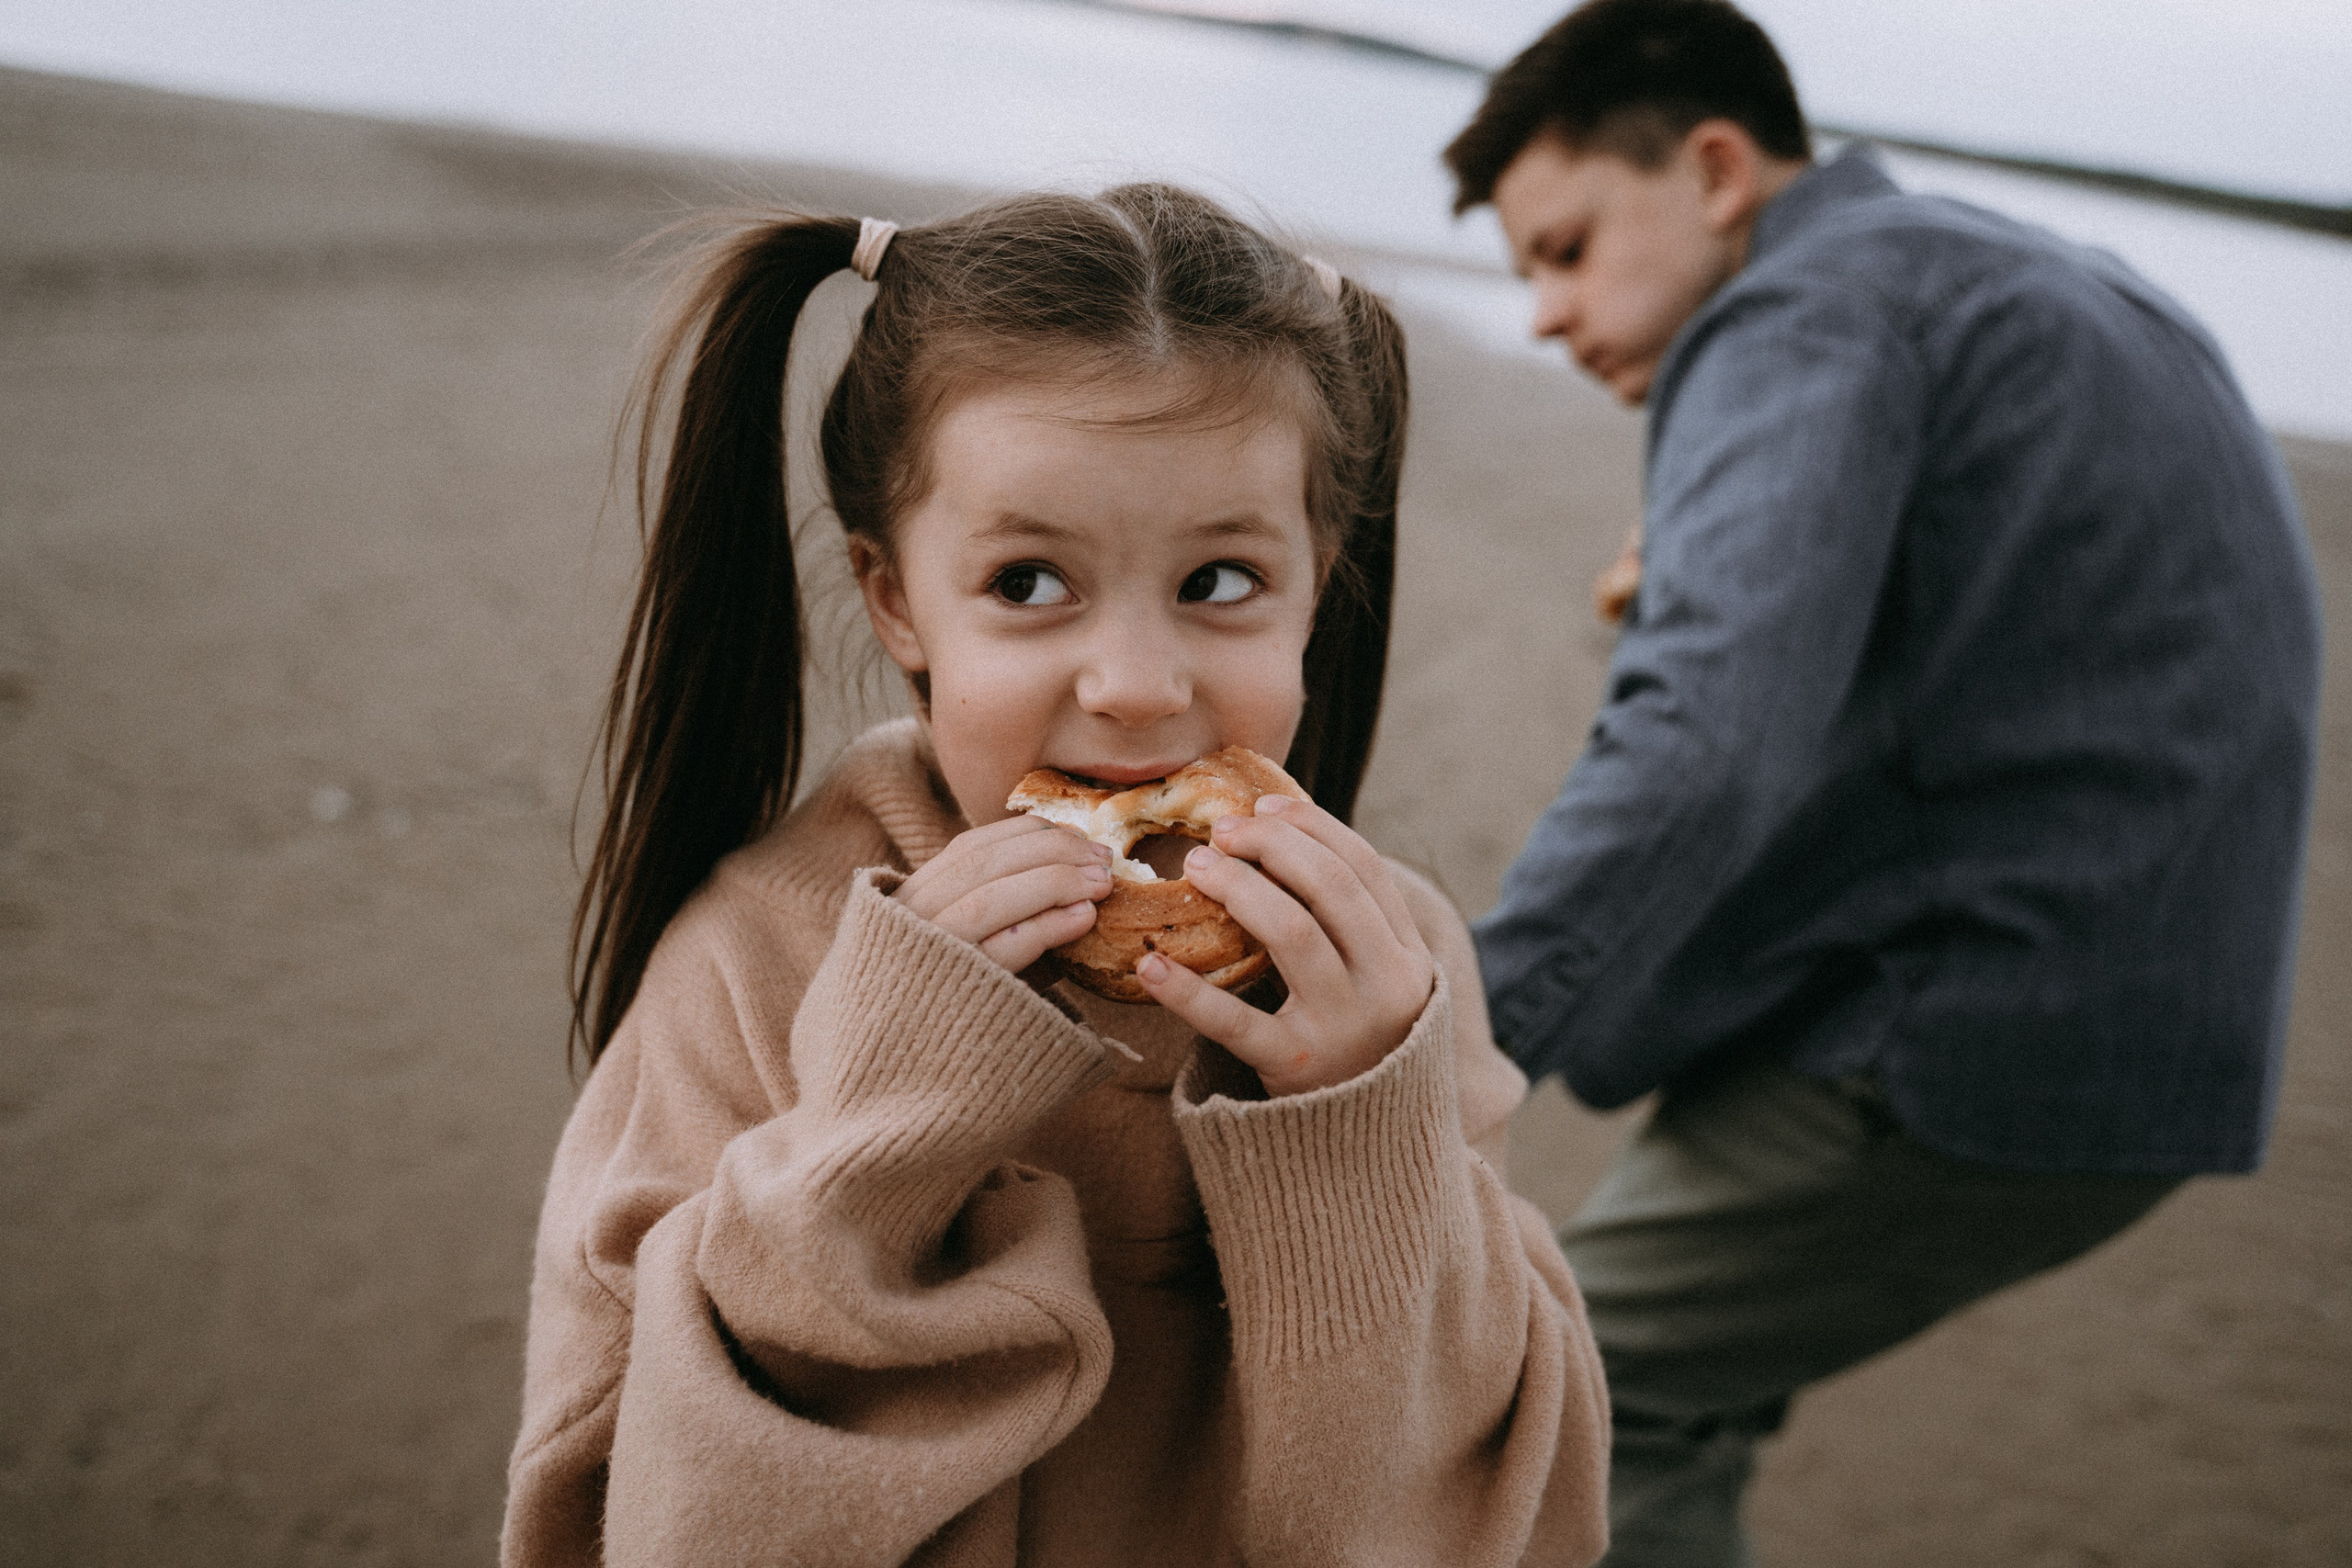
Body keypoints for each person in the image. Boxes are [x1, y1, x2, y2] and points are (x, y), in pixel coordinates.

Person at [498, 186, 1611, 1566]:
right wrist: (883, 1134)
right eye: (1030, 583)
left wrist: (1357, 1134)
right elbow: (649, 1526)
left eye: (1220, 580)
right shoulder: (755, 962)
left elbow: (1496, 1524)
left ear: (1317, 582)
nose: (1138, 690)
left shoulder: (1394, 972)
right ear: (897, 596)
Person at [1442, 1, 2324, 1562]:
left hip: (1950, 1030)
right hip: (2144, 1016)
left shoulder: (1804, 313)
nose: (1546, 317)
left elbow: (1703, 745)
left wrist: (1452, 1044)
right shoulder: (2011, 276)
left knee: (1573, 1394)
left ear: (1717, 169)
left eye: (1566, 248)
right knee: (1683, 1387)